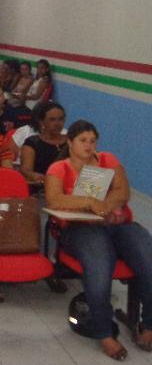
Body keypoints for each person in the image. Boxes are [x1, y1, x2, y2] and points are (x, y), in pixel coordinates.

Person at [45, 120, 152, 360]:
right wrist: (90, 202)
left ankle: (149, 323)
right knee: (99, 269)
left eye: (92, 141)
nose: (88, 145)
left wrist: (105, 207)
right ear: (70, 142)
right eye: (83, 140)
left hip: (117, 225)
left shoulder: (107, 161)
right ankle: (103, 331)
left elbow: (122, 192)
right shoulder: (59, 168)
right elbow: (54, 200)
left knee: (147, 258)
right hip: (81, 229)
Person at [20, 101, 66, 184]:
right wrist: (34, 175)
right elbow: (25, 170)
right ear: (41, 122)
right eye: (52, 120)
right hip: (42, 187)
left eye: (61, 119)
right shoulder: (32, 143)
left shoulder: (71, 141)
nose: (57, 124)